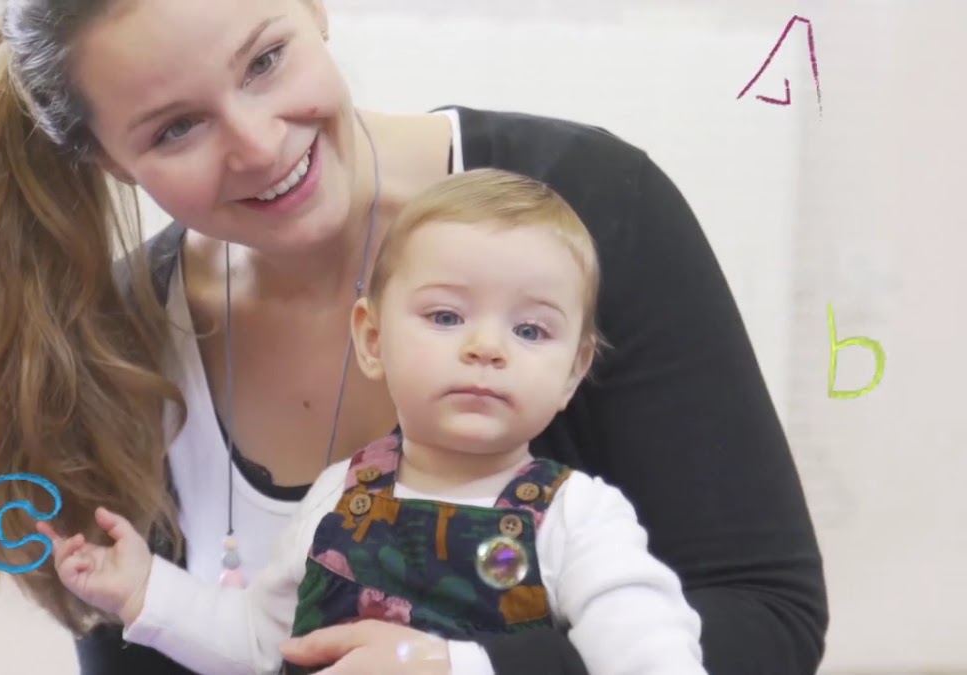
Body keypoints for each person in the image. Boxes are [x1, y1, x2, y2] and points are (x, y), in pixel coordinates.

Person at [0, 0, 828, 673]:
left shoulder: (595, 209)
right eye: (175, 129)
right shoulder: (119, 342)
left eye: (264, 61)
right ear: (106, 159)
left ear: (314, 7)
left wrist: (457, 667)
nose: (259, 144)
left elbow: (767, 616)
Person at [37, 168, 708, 675]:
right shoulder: (338, 496)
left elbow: (652, 658)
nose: (487, 347)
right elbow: (258, 640)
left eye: (530, 330)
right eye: (446, 316)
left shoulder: (579, 519)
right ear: (372, 338)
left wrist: (455, 665)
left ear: (573, 372)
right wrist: (143, 589)